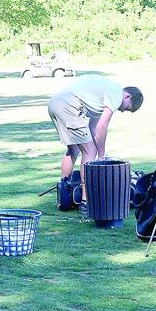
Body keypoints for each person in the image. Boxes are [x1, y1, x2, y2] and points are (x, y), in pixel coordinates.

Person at [47, 75, 144, 214]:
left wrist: (100, 151)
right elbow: (102, 126)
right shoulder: (116, 94)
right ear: (128, 96)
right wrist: (101, 154)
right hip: (69, 106)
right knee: (89, 152)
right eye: (127, 108)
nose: (122, 111)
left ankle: (65, 191)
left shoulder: (101, 95)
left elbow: (94, 127)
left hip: (55, 103)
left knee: (73, 149)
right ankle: (86, 201)